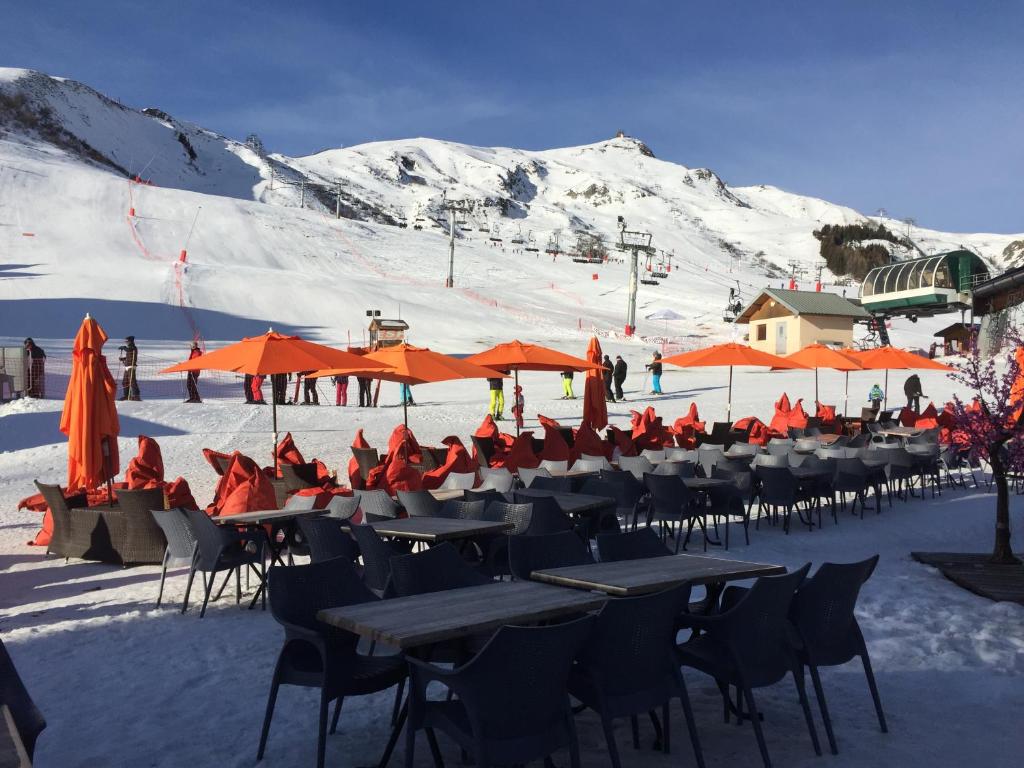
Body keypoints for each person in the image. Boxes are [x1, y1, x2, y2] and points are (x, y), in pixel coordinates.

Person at [118, 336, 141, 401]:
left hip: (131, 366)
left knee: (132, 381)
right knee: (125, 382)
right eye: (125, 341)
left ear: (131, 341)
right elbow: (129, 354)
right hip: (127, 366)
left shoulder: (133, 347)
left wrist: (124, 347)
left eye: (127, 341)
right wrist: (123, 359)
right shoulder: (129, 348)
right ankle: (126, 396)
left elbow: (129, 350)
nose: (126, 342)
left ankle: (136, 396)